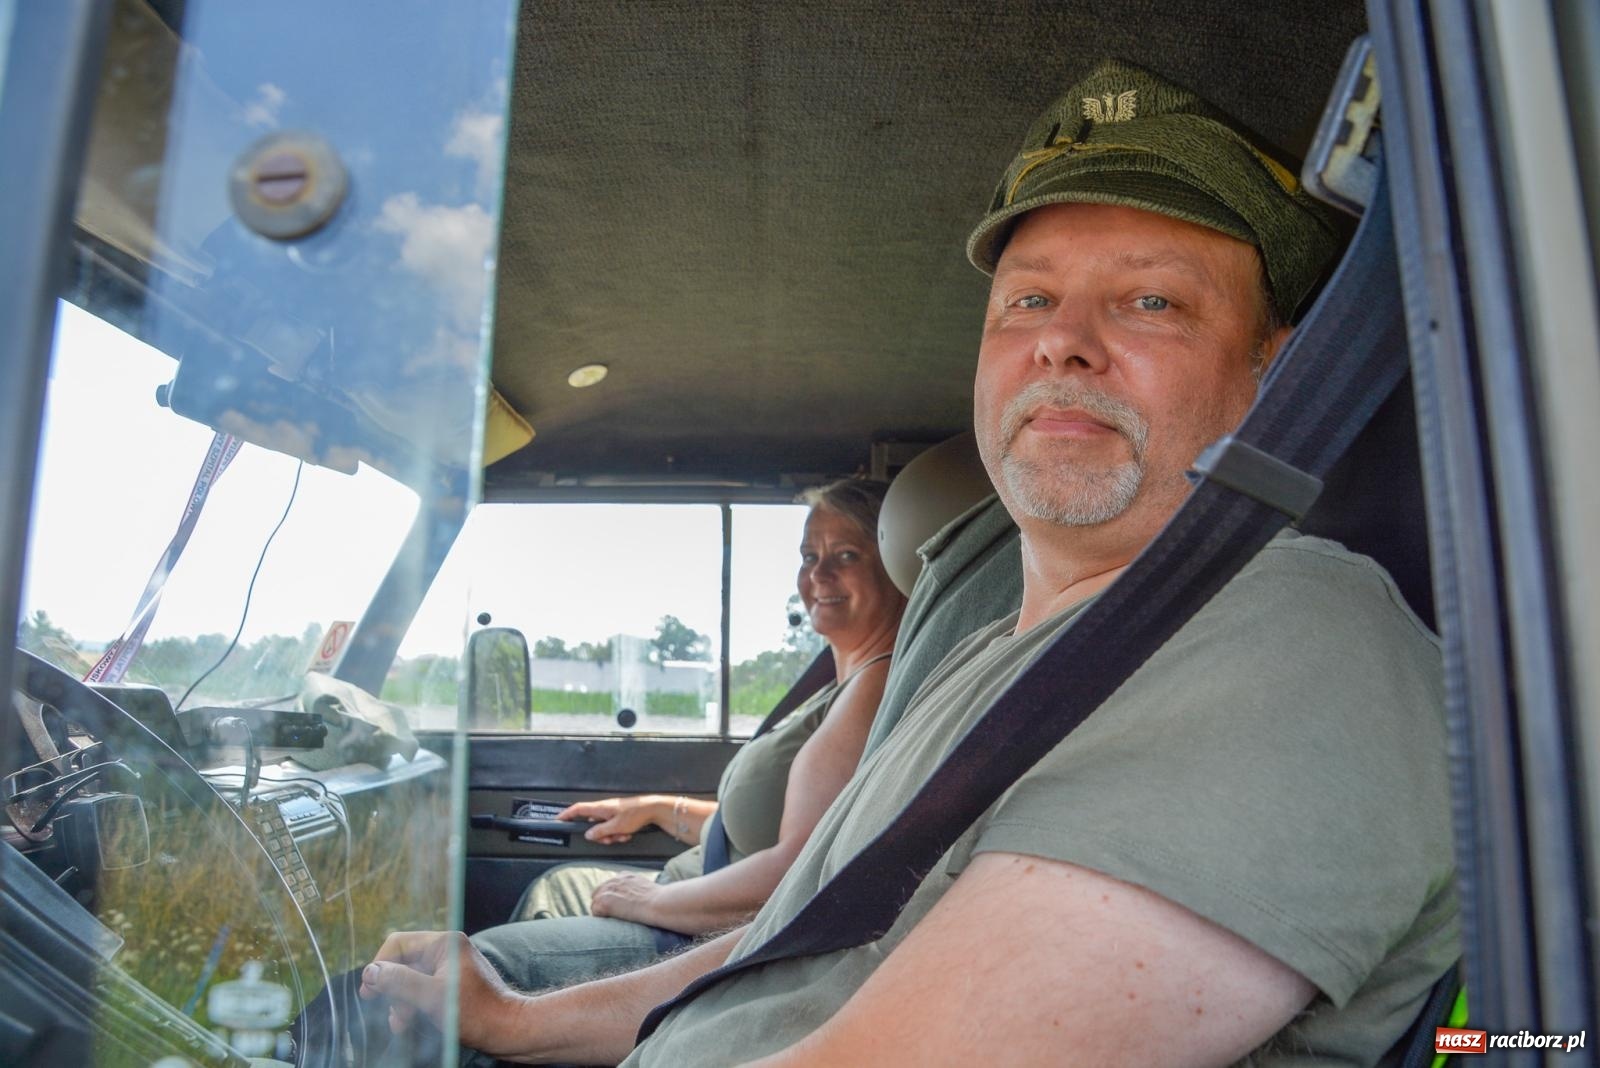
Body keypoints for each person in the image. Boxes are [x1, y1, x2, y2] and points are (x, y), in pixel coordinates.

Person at [361, 59, 1457, 1066]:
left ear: (1277, 377)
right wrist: (512, 1020)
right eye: (1027, 298)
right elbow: (783, 948)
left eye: (1151, 301)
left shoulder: (1297, 643)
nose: (1058, 340)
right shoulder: (993, 652)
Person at [469, 477, 907, 994]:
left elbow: (795, 871)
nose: (819, 573)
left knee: (480, 970)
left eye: (846, 555)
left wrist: (650, 902)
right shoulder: (842, 686)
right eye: (809, 555)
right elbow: (765, 826)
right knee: (556, 886)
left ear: (896, 565)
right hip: (693, 900)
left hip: (715, 943)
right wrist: (660, 808)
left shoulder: (872, 691)